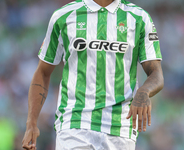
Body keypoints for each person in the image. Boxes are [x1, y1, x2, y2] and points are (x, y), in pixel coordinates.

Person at [22, 0, 164, 149]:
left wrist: (144, 91)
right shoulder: (63, 16)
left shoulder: (139, 18)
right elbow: (43, 72)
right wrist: (31, 123)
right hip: (74, 123)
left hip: (120, 128)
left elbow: (156, 73)